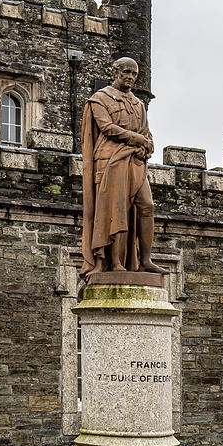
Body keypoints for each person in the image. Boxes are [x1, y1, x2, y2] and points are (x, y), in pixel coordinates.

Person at [80, 57, 166, 279]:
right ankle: (114, 262)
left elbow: (147, 135)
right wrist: (138, 140)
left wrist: (146, 148)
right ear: (115, 71)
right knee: (115, 210)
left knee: (146, 206)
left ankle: (145, 260)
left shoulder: (138, 104)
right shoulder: (100, 99)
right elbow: (107, 128)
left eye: (134, 74)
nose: (130, 77)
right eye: (126, 72)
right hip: (110, 161)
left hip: (135, 162)